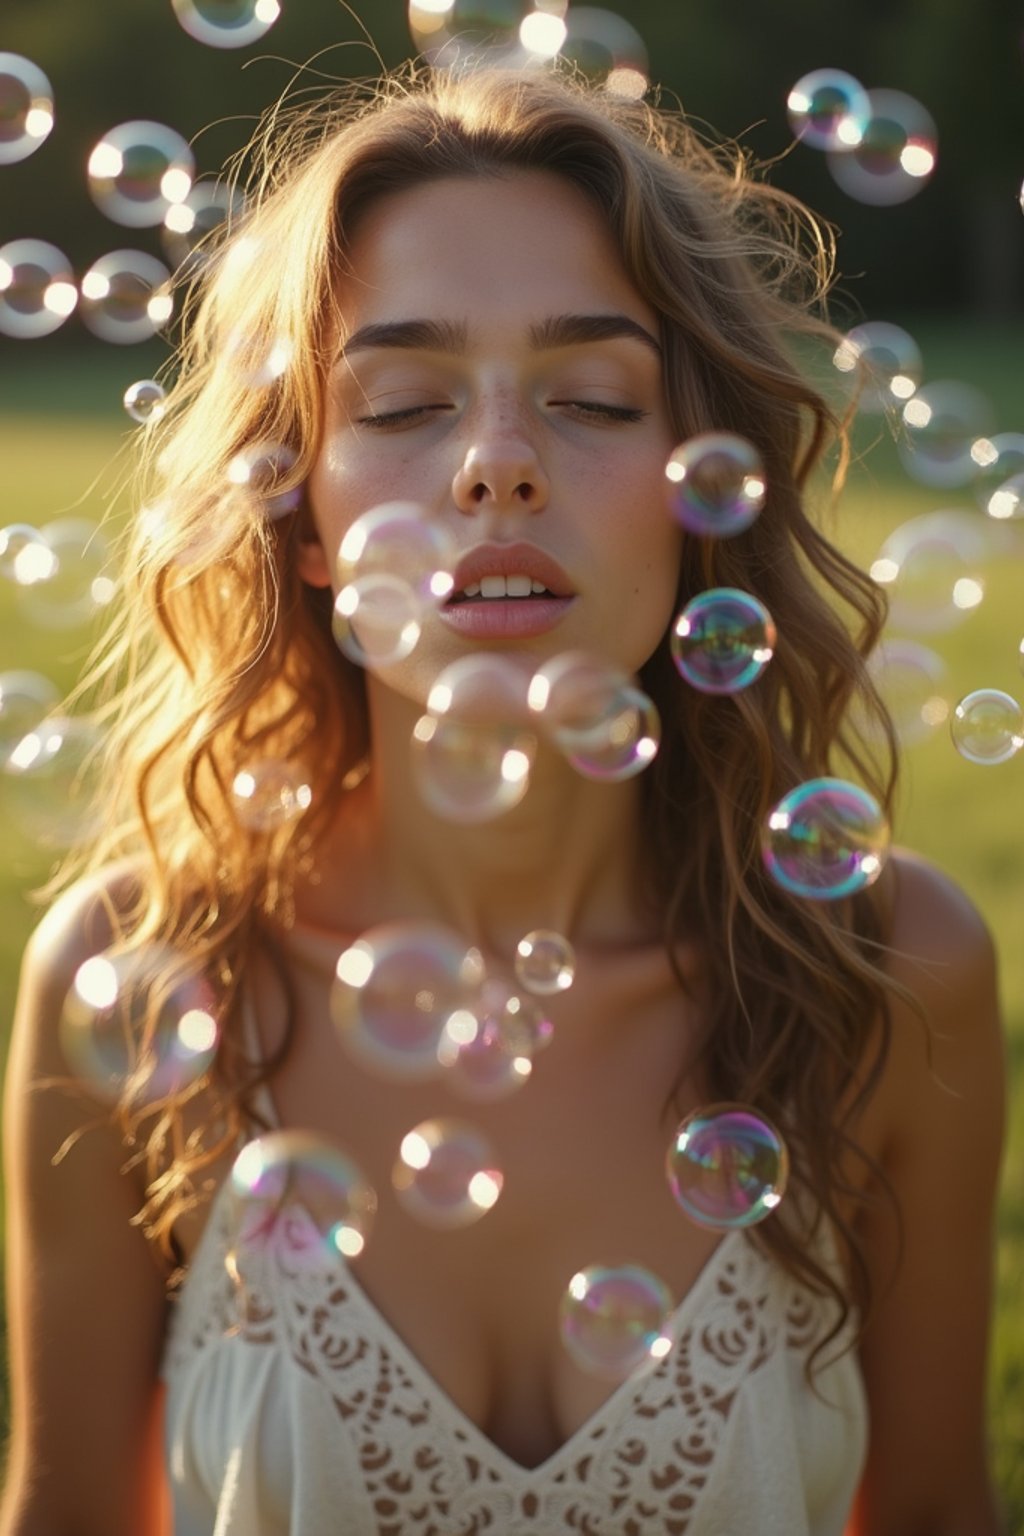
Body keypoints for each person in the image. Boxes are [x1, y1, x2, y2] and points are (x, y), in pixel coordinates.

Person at [0, 60, 1007, 1536]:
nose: (495, 468)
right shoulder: (140, 985)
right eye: (402, 405)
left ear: (695, 478)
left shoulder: (889, 969)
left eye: (593, 397)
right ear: (308, 515)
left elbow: (935, 1510)